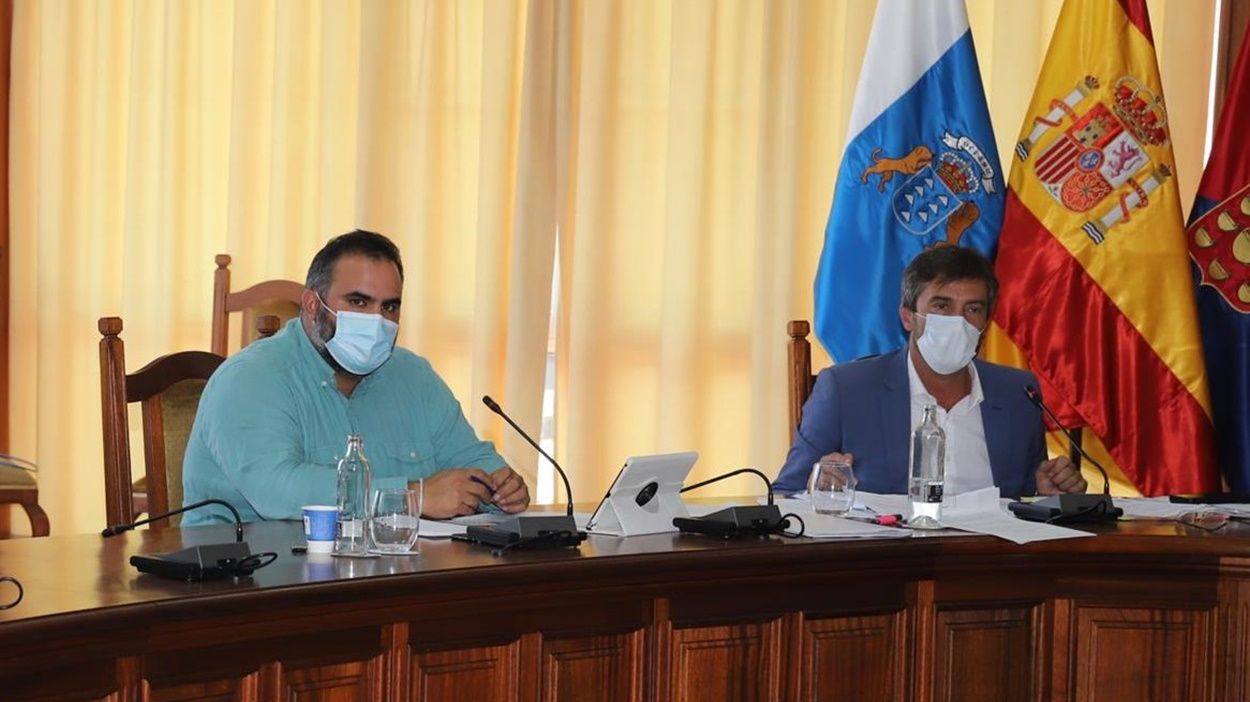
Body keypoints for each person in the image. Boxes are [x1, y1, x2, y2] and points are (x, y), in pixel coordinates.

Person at [182, 230, 529, 525]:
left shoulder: (414, 377)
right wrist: (411, 497)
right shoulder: (250, 378)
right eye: (359, 302)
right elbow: (277, 489)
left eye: (389, 306)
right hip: (246, 583)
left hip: (379, 577)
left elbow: (471, 460)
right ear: (313, 305)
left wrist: (500, 485)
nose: (377, 320)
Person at [775, 245, 1087, 498]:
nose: (958, 320)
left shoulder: (1018, 392)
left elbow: (1024, 495)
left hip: (989, 566)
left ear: (986, 322)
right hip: (886, 567)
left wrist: (1045, 492)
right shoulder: (846, 389)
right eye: (942, 306)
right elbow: (786, 492)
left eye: (973, 309)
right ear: (908, 317)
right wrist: (819, 486)